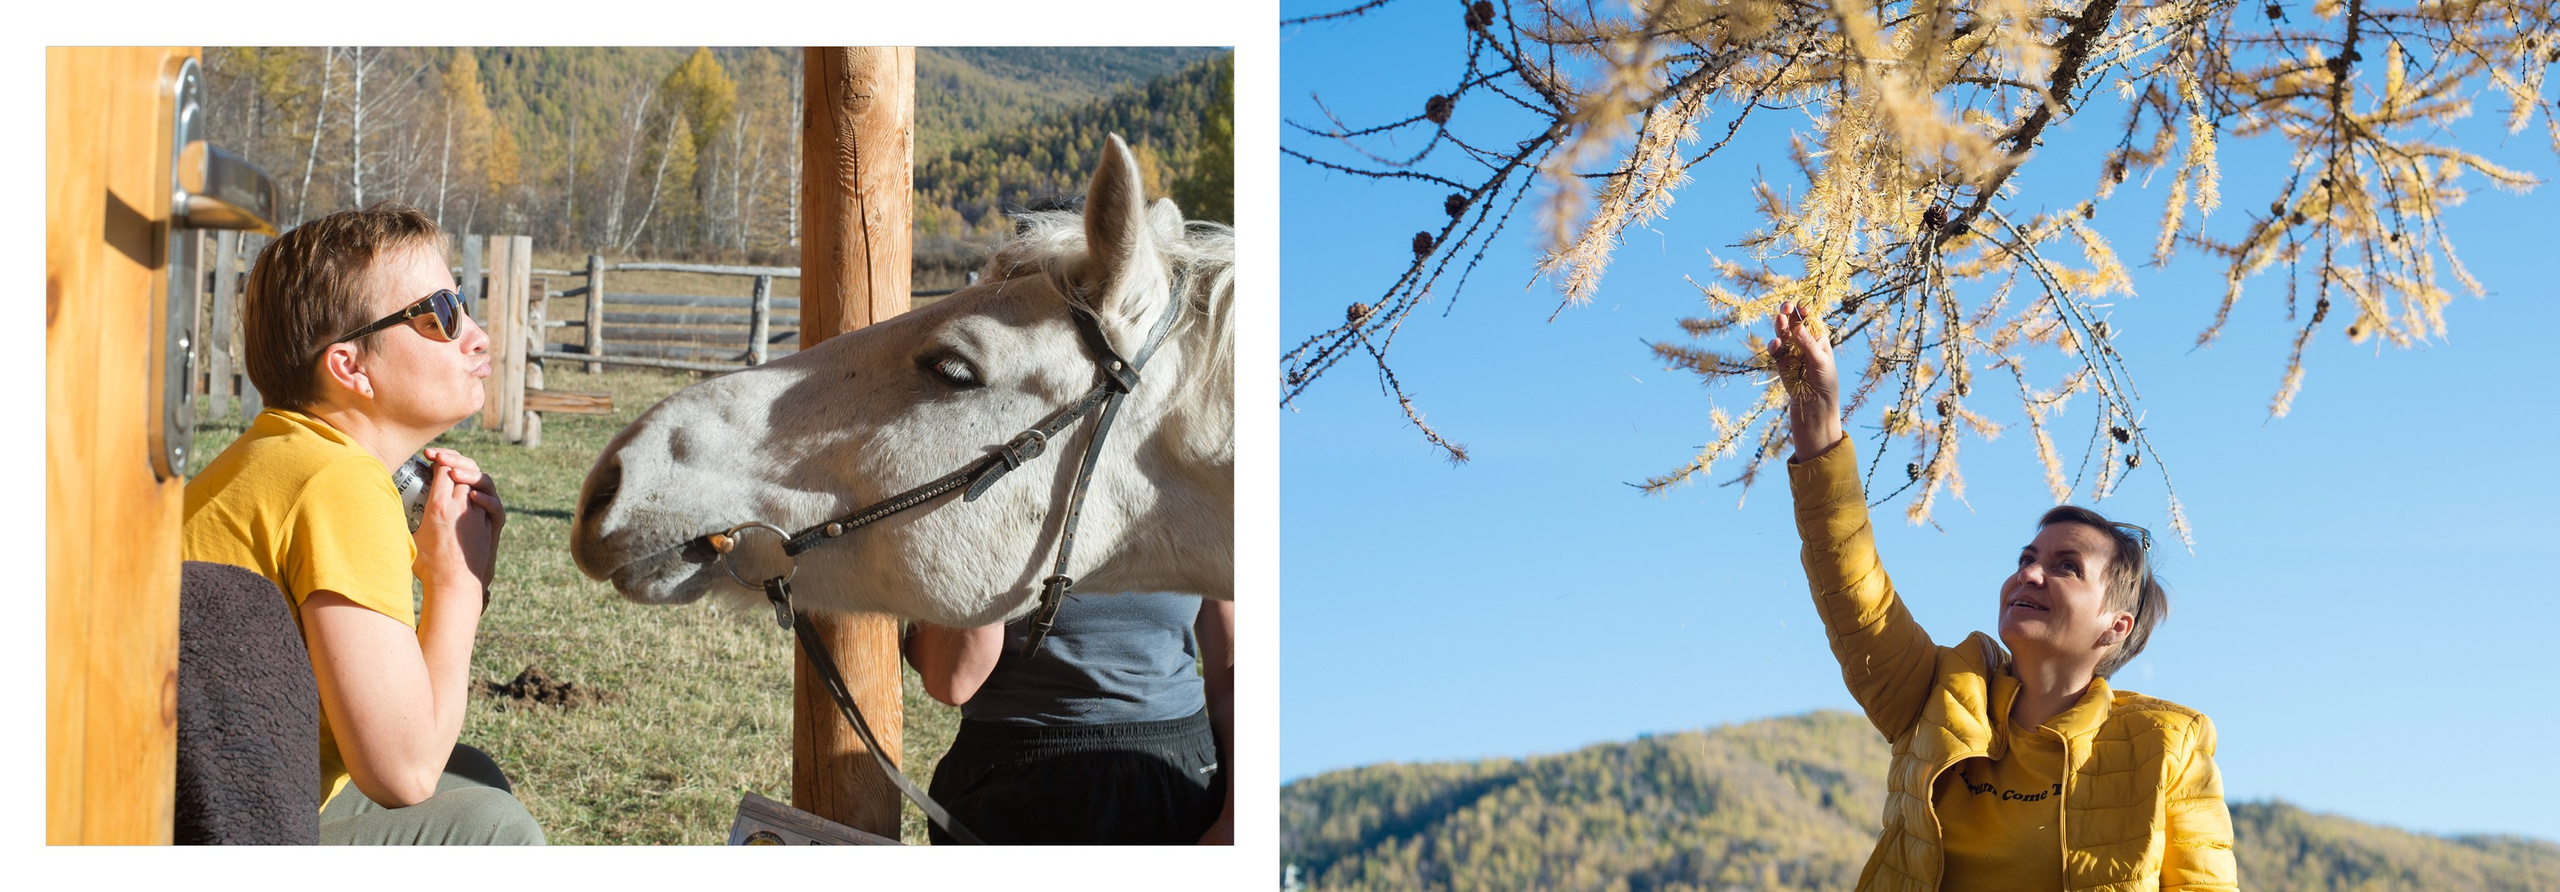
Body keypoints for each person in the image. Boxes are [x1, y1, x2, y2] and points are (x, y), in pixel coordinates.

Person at [1767, 301, 2232, 890]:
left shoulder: (2167, 745)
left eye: (2066, 567)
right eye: (2027, 559)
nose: (2030, 575)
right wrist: (1818, 428)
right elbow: (1854, 589)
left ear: (2116, 624)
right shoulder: (1935, 695)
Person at [182, 203, 542, 845]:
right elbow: (401, 772)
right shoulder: (338, 483)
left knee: (475, 775)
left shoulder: (279, 454)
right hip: (197, 835)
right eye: (440, 313)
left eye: (460, 300)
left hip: (199, 797)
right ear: (351, 367)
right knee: (492, 831)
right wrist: (458, 587)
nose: (477, 334)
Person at [904, 594, 1234, 845]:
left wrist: (1235, 822)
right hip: (1010, 785)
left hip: (1172, 786)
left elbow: (1234, 676)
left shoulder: (1203, 506)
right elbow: (953, 682)